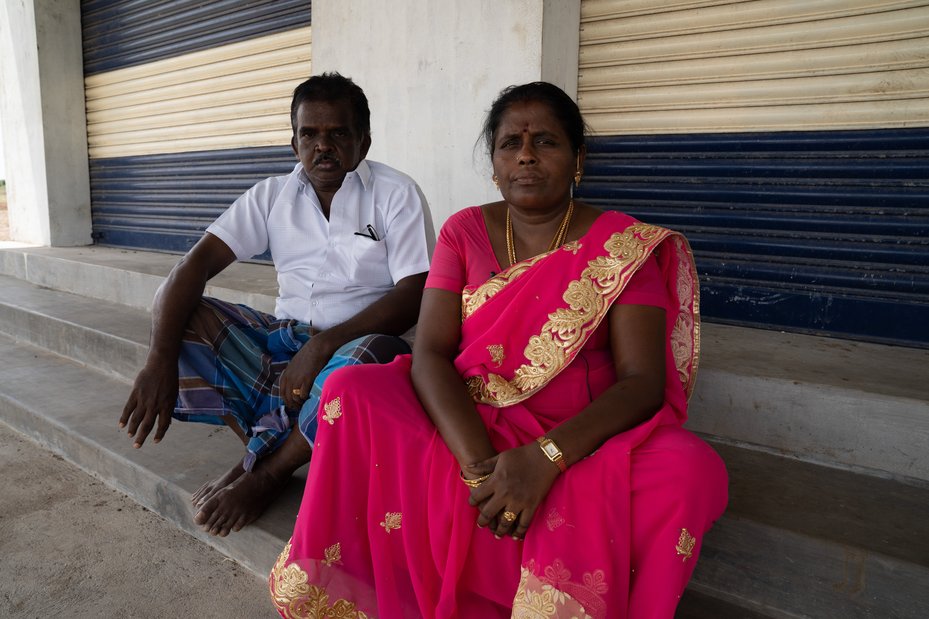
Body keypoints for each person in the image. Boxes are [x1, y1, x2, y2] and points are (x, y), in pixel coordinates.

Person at [269, 82, 727, 618]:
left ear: (578, 159)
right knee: (349, 387)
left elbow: (641, 382)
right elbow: (432, 353)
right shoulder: (464, 231)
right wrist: (478, 470)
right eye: (510, 143)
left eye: (546, 142)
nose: (526, 155)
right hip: (472, 418)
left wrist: (544, 459)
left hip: (578, 434)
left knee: (692, 469)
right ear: (494, 163)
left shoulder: (622, 245)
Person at [117, 73, 436, 538]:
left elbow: (415, 292)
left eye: (338, 133)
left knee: (363, 364)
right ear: (293, 143)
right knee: (186, 313)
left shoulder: (396, 193)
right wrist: (157, 360)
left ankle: (266, 473)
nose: (322, 147)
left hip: (357, 344)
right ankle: (270, 447)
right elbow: (193, 266)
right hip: (283, 339)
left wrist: (323, 346)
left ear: (363, 141)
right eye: (309, 134)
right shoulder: (271, 195)